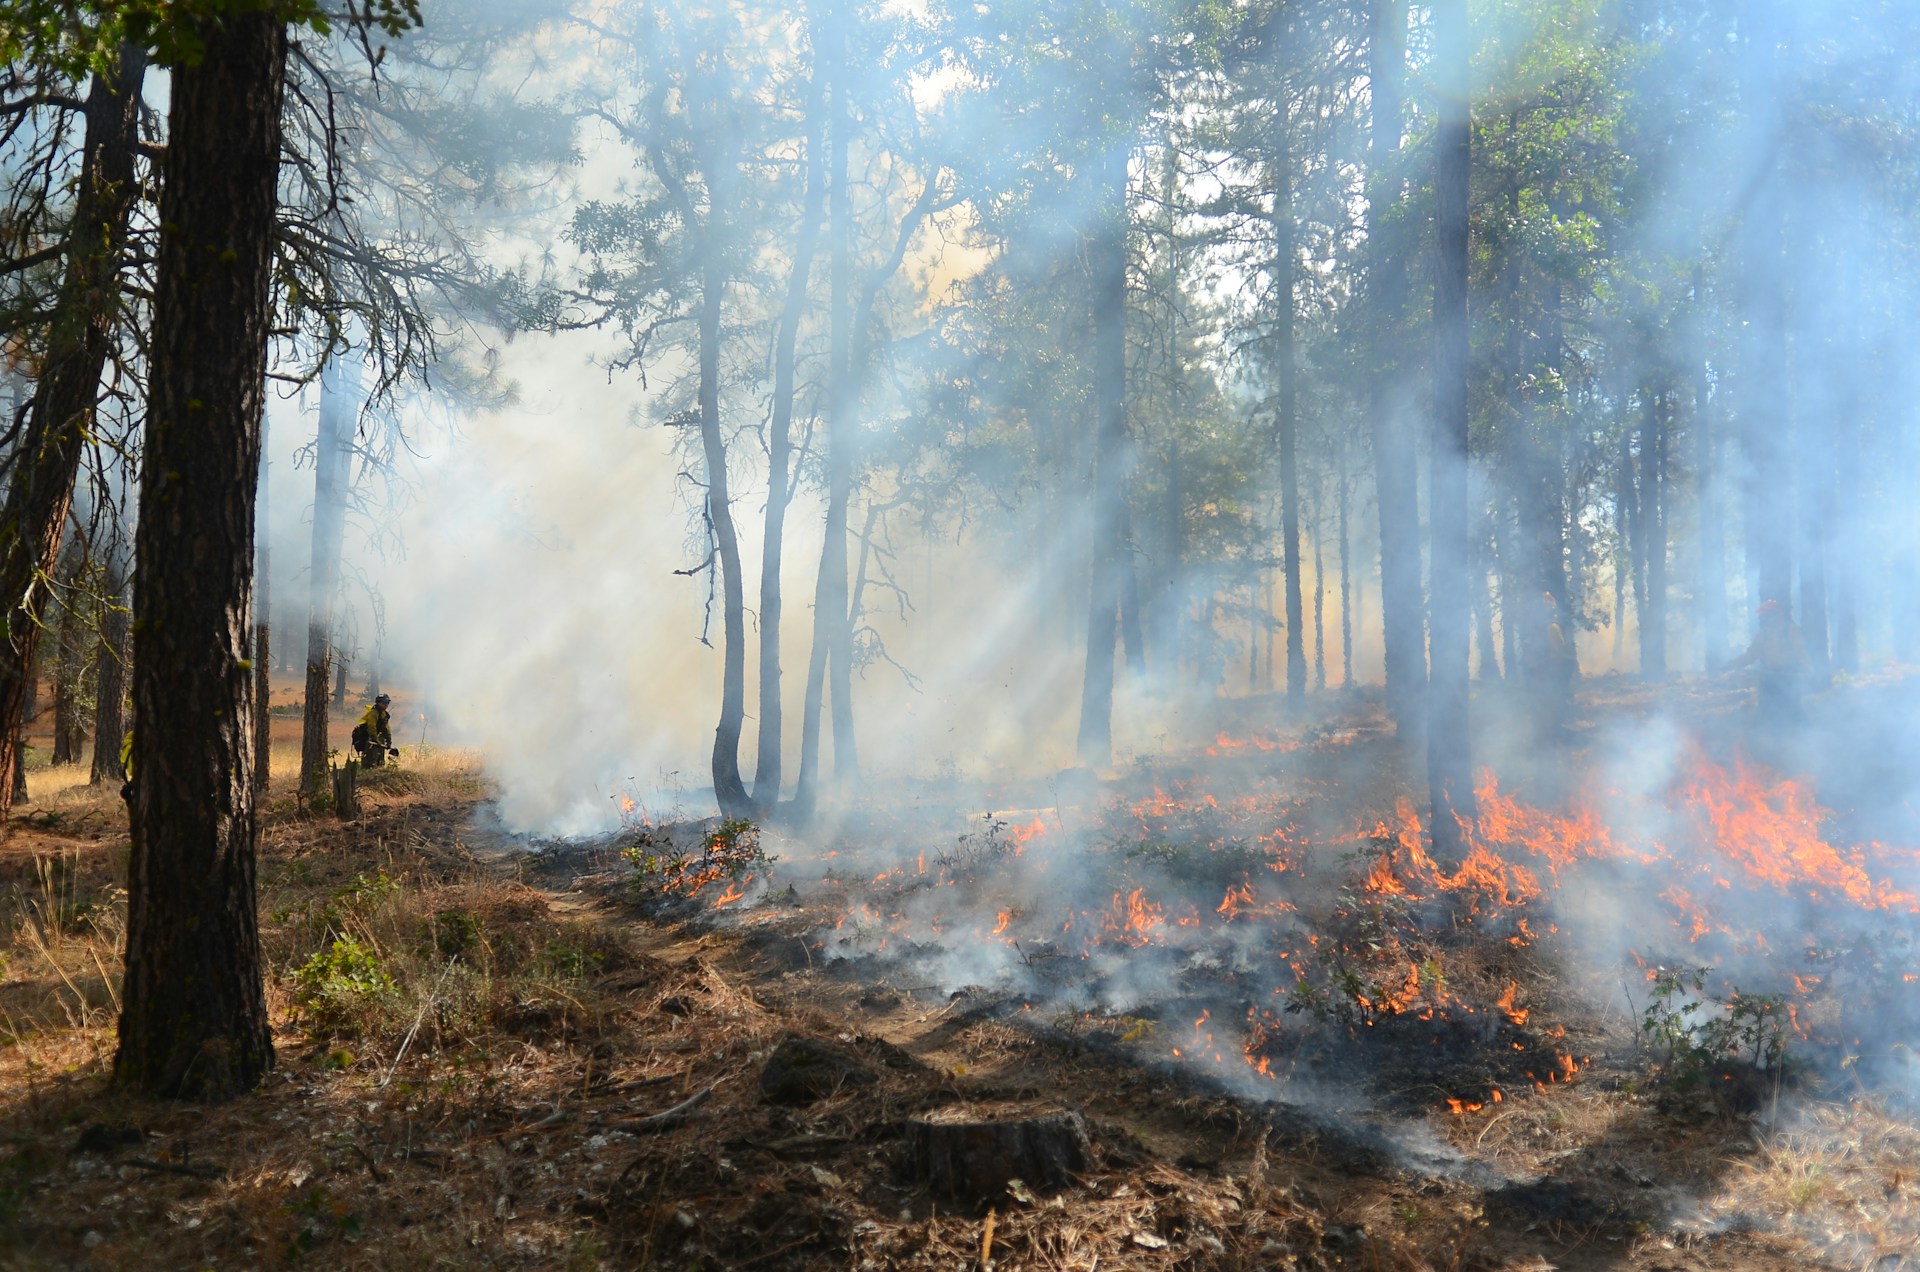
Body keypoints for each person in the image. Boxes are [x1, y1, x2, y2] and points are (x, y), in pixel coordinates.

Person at [1729, 599, 1810, 724]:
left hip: (1789, 677)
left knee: (1792, 710)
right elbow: (1751, 654)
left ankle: (1796, 736)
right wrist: (1734, 663)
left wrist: (1808, 669)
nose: (1764, 619)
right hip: (1769, 678)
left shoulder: (1790, 630)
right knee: (1767, 711)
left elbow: (1801, 650)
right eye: (1763, 616)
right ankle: (1769, 737)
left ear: (1776, 615)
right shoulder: (1764, 633)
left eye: (1766, 615)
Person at [1531, 591, 1578, 741]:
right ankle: (1555, 732)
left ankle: (1550, 731)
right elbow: (1560, 649)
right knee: (1557, 699)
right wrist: (1570, 658)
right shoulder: (1552, 627)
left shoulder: (1541, 627)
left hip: (1545, 668)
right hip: (1555, 667)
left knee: (1549, 701)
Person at [354, 693, 398, 767]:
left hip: (379, 740)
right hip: (370, 740)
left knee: (380, 760)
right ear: (378, 703)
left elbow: (386, 728)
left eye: (387, 703)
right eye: (384, 702)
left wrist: (389, 741)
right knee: (370, 761)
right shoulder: (373, 713)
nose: (386, 705)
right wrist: (375, 739)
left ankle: (378, 772)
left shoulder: (384, 714)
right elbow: (371, 727)